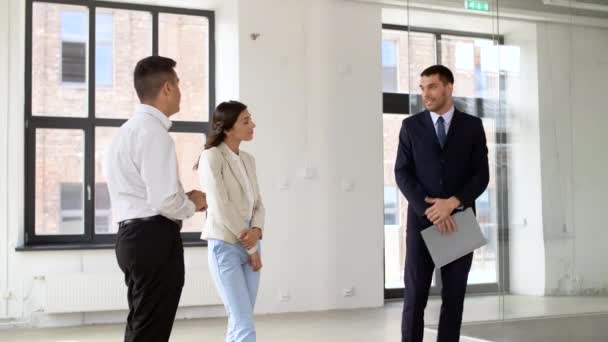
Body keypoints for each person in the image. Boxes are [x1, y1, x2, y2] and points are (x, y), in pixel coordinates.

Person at [105, 56, 207, 342]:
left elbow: (143, 192)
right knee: (152, 330)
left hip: (131, 237)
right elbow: (163, 201)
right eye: (177, 84)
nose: (180, 91)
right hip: (154, 238)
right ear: (166, 88)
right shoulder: (154, 133)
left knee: (141, 323)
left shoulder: (125, 132)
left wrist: (181, 199)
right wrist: (193, 204)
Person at [395, 65, 489, 342]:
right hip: (422, 222)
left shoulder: (473, 126)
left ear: (449, 87)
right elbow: (402, 173)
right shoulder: (410, 127)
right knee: (414, 297)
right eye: (422, 88)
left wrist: (453, 202)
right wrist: (432, 209)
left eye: (432, 87)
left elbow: (481, 174)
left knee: (454, 297)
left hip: (459, 221)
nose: (426, 94)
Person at [196, 100, 265, 342]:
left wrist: (257, 229)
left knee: (240, 319)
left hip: (250, 244)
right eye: (246, 121)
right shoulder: (211, 156)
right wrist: (252, 245)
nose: (252, 124)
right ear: (227, 128)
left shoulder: (248, 159)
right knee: (243, 321)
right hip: (226, 245)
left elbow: (258, 203)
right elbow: (219, 205)